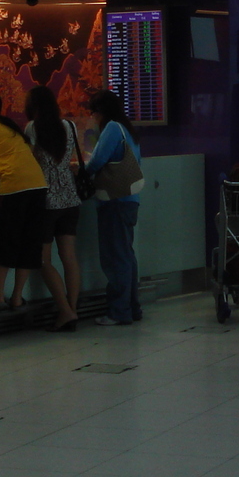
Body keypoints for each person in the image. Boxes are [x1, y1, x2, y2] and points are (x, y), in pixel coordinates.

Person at [0, 88, 47, 311]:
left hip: (13, 188)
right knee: (28, 245)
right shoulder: (10, 126)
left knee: (6, 243)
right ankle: (16, 297)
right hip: (38, 186)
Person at [24, 85, 82, 332]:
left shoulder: (32, 128)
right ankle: (73, 309)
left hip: (46, 200)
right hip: (70, 198)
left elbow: (29, 160)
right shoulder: (70, 126)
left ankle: (66, 312)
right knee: (69, 257)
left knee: (43, 259)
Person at [84, 89, 144, 326]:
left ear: (100, 112)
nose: (93, 118)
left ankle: (119, 311)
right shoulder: (128, 129)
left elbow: (97, 160)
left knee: (115, 257)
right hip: (129, 200)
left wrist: (82, 170)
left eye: (93, 113)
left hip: (114, 201)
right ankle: (132, 307)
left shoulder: (111, 129)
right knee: (126, 255)